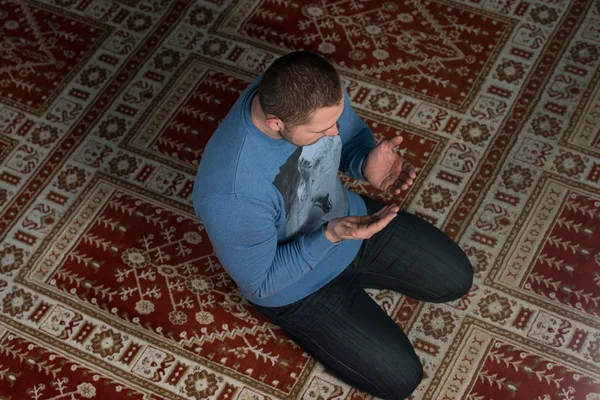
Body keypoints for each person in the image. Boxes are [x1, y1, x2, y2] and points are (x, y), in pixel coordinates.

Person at [193, 51, 473, 399]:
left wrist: (364, 162)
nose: (334, 130)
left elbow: (348, 139)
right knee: (401, 379)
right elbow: (262, 281)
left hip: (349, 217)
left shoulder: (315, 93)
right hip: (296, 286)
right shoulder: (231, 191)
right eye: (322, 129)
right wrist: (331, 235)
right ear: (276, 123)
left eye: (336, 118)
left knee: (457, 279)